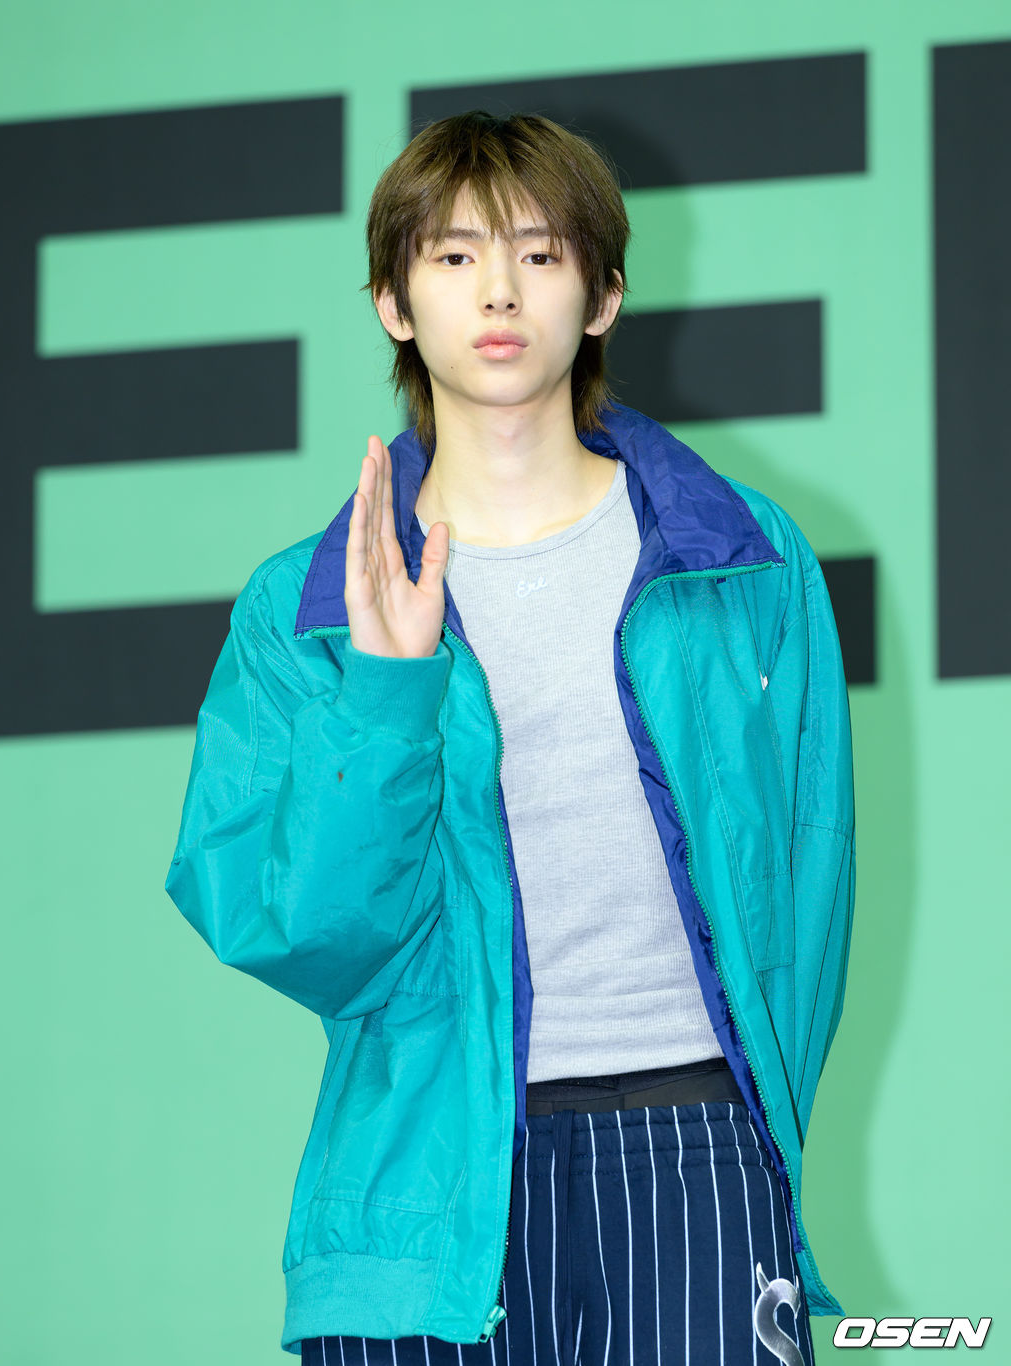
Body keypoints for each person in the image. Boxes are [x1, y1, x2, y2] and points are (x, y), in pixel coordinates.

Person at [165, 111, 855, 1365]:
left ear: (602, 296)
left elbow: (807, 885)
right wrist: (387, 691)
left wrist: (753, 1125)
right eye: (452, 256)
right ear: (393, 302)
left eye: (540, 255)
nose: (498, 290)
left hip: (696, 1143)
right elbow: (300, 934)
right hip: (421, 1184)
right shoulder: (303, 607)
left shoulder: (742, 561)